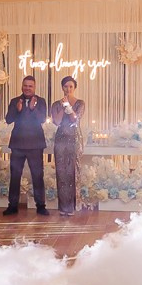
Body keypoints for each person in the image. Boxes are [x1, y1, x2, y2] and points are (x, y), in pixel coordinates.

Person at [3, 75, 50, 215]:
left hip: (35, 144)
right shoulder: (14, 101)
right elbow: (8, 119)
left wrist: (32, 108)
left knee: (37, 175)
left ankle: (41, 205)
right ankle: (13, 205)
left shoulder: (41, 101)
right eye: (25, 85)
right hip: (17, 144)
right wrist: (17, 110)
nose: (27, 88)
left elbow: (42, 119)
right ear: (22, 86)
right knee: (15, 175)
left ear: (34, 87)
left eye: (30, 86)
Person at [52, 76, 85, 215]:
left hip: (74, 138)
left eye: (71, 86)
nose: (68, 89)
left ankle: (71, 207)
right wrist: (62, 105)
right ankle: (63, 207)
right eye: (65, 86)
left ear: (74, 88)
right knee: (61, 171)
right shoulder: (56, 104)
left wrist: (68, 106)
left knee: (72, 171)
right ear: (62, 88)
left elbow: (75, 119)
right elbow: (57, 121)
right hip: (60, 139)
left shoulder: (80, 103)